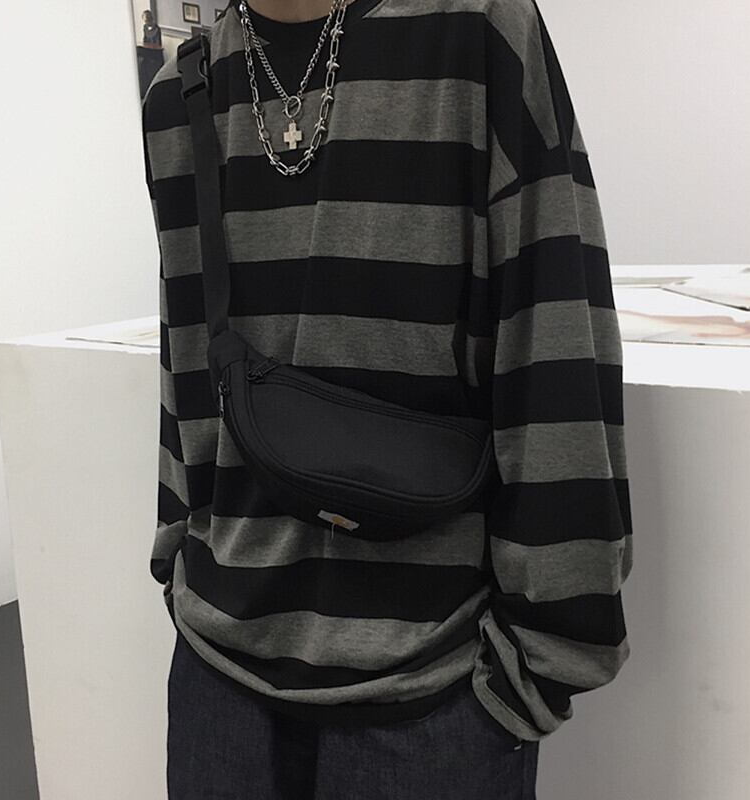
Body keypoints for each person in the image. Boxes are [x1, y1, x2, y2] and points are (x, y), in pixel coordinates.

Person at [140, 0, 634, 797]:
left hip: (432, 694)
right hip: (216, 684)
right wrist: (177, 554)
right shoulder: (179, 92)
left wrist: (543, 661)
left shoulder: (475, 31)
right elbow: (189, 359)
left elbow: (554, 333)